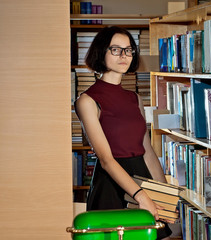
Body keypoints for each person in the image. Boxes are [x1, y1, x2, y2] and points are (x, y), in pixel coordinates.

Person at [74, 26, 172, 240]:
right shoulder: (87, 100)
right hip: (111, 184)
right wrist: (141, 196)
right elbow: (106, 159)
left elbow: (147, 152)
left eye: (128, 50)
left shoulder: (135, 98)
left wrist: (165, 198)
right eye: (116, 50)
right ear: (101, 52)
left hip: (143, 176)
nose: (124, 56)